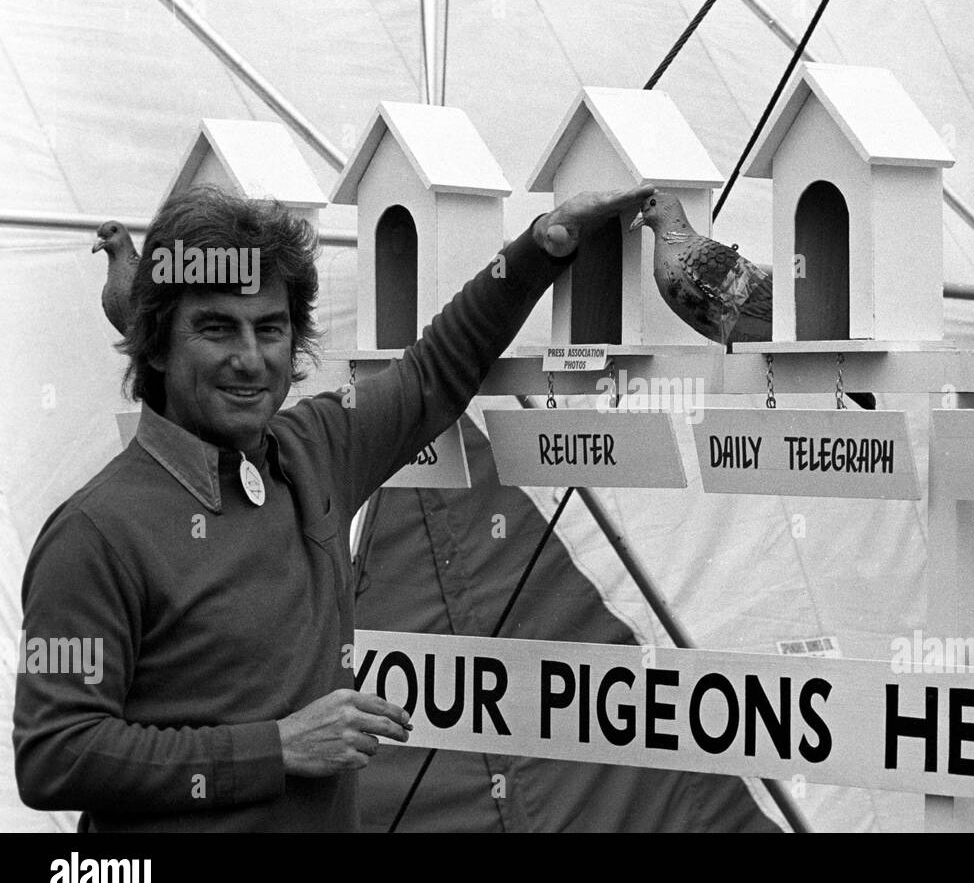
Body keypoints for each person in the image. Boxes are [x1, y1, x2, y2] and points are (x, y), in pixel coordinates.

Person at [13, 181, 653, 831]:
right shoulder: (92, 532)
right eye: (215, 328)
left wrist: (544, 246)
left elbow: (437, 369)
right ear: (155, 344)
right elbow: (53, 756)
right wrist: (278, 748)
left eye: (270, 329)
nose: (250, 358)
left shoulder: (316, 448)